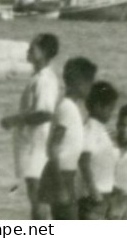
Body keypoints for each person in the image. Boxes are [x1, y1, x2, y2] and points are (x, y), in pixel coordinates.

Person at [0, 33, 61, 220]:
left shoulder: (44, 80)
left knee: (37, 196)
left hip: (37, 145)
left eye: (33, 48)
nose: (28, 51)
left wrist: (15, 120)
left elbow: (45, 113)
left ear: (44, 53)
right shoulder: (39, 77)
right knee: (34, 194)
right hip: (32, 143)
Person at [40, 56, 96, 220]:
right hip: (60, 176)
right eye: (90, 83)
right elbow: (52, 147)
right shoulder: (66, 108)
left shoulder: (71, 107)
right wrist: (60, 186)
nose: (91, 88)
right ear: (79, 83)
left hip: (66, 175)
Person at [77, 81, 119, 220]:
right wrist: (93, 190)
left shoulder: (100, 129)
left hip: (103, 193)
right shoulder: (91, 129)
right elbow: (84, 161)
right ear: (97, 106)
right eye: (110, 108)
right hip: (93, 197)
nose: (112, 113)